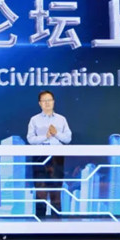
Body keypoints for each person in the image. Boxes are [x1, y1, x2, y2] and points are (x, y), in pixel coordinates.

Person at [27, 90, 72, 218]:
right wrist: (45, 136)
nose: (47, 103)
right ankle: (39, 222)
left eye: (49, 100)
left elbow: (68, 139)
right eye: (44, 101)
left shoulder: (61, 119)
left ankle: (56, 223)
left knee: (56, 192)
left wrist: (56, 133)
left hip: (56, 158)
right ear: (39, 103)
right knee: (40, 192)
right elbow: (30, 139)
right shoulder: (34, 120)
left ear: (53, 102)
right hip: (40, 157)